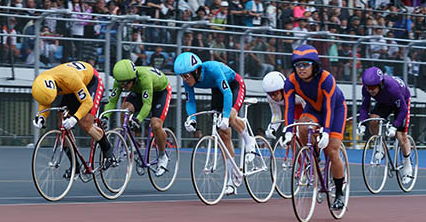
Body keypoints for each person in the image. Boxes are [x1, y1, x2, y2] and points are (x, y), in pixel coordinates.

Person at [173, 52, 253, 196]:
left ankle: (249, 139)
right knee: (223, 134)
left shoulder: (212, 69)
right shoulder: (188, 80)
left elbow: (228, 94)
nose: (184, 79)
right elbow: (190, 101)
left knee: (229, 117)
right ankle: (231, 179)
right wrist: (191, 119)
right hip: (217, 89)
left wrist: (226, 116)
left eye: (186, 76)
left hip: (234, 86)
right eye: (182, 76)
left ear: (196, 70)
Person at [280, 45, 347, 210]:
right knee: (302, 125)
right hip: (314, 110)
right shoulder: (291, 81)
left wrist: (326, 131)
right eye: (297, 65)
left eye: (305, 64)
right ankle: (313, 156)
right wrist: (288, 131)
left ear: (314, 65)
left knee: (332, 150)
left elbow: (330, 107)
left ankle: (339, 193)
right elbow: (288, 108)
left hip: (335, 110)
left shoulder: (326, 78)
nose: (301, 69)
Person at [31, 61, 113, 174]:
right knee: (61, 125)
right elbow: (45, 101)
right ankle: (75, 166)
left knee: (85, 123)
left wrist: (75, 118)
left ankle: (108, 151)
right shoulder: (42, 81)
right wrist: (42, 116)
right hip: (68, 88)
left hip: (90, 82)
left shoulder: (69, 79)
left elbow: (87, 102)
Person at [101, 59, 172, 176]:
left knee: (155, 124)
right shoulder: (121, 80)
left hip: (160, 92)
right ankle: (130, 143)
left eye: (126, 84)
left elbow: (147, 104)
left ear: (133, 79)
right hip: (139, 92)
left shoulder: (145, 78)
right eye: (121, 83)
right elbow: (112, 101)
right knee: (125, 109)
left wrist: (138, 119)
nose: (123, 86)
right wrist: (106, 117)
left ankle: (162, 155)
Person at [359, 67, 413, 180]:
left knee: (400, 135)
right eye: (368, 87)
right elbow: (365, 106)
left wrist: (395, 126)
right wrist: (362, 123)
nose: (370, 91)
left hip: (401, 101)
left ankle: (407, 163)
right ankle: (380, 146)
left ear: (381, 83)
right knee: (373, 119)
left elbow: (403, 110)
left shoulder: (393, 88)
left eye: (373, 87)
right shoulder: (366, 89)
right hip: (385, 102)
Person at [261, 71, 304, 140]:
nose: (273, 97)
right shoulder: (270, 98)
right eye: (269, 94)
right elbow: (276, 114)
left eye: (275, 93)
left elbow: (308, 110)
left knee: (303, 132)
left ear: (282, 90)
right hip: (292, 110)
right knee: (291, 136)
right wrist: (272, 128)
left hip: (304, 107)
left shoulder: (296, 95)